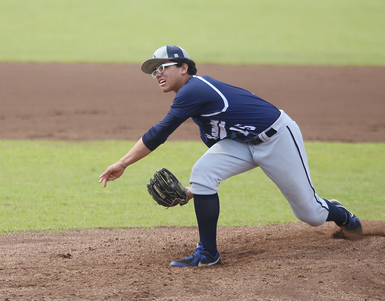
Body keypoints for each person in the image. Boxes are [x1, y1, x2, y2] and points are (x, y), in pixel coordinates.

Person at [99, 45, 362, 267]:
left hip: (278, 137)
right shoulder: (201, 116)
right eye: (154, 71)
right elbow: (219, 154)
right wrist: (196, 191)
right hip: (244, 143)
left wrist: (122, 163)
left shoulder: (194, 90)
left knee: (312, 215)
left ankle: (341, 215)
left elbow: (159, 132)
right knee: (203, 173)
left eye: (162, 67)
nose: (158, 74)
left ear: (183, 68)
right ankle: (209, 254)